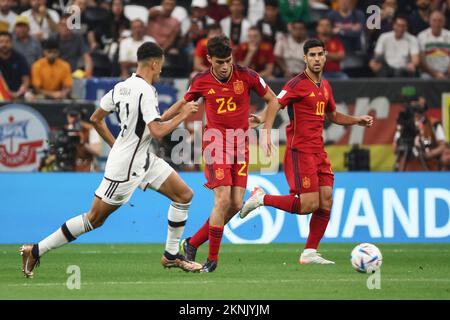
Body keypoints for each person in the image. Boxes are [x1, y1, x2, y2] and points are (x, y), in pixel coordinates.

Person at [20, 41, 203, 278]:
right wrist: (184, 116)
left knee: (184, 195)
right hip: (125, 167)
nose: (161, 70)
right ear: (155, 63)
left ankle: (171, 256)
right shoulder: (146, 91)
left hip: (142, 158)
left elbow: (98, 118)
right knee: (94, 219)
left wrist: (182, 104)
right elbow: (158, 132)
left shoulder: (122, 87)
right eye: (161, 66)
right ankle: (35, 250)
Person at [239, 39, 374, 265]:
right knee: (308, 205)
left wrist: (356, 120)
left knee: (326, 200)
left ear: (325, 56)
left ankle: (310, 252)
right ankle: (261, 199)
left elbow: (332, 115)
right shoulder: (296, 84)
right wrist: (266, 130)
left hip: (318, 150)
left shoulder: (325, 86)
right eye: (312, 55)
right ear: (305, 58)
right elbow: (274, 103)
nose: (317, 59)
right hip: (300, 150)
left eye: (320, 54)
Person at [178, 35, 280, 272]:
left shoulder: (247, 75)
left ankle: (192, 243)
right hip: (215, 144)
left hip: (241, 145)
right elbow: (184, 102)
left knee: (235, 204)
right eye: (219, 62)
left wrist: (265, 127)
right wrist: (163, 120)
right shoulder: (202, 80)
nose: (225, 66)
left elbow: (273, 101)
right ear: (209, 59)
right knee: (222, 200)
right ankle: (212, 259)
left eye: (228, 60)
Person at [417, 10, 450, 79]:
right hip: (428, 73)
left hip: (447, 73)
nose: (437, 24)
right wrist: (435, 74)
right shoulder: (422, 36)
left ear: (444, 22)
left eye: (440, 21)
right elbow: (422, 60)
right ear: (429, 21)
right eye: (434, 20)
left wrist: (447, 73)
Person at [0, 31, 29, 99]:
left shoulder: (20, 58)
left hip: (18, 95)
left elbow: (26, 80)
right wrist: (6, 94)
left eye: (7, 42)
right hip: (1, 96)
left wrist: (20, 92)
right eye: (1, 42)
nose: (4, 44)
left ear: (12, 43)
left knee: (30, 97)